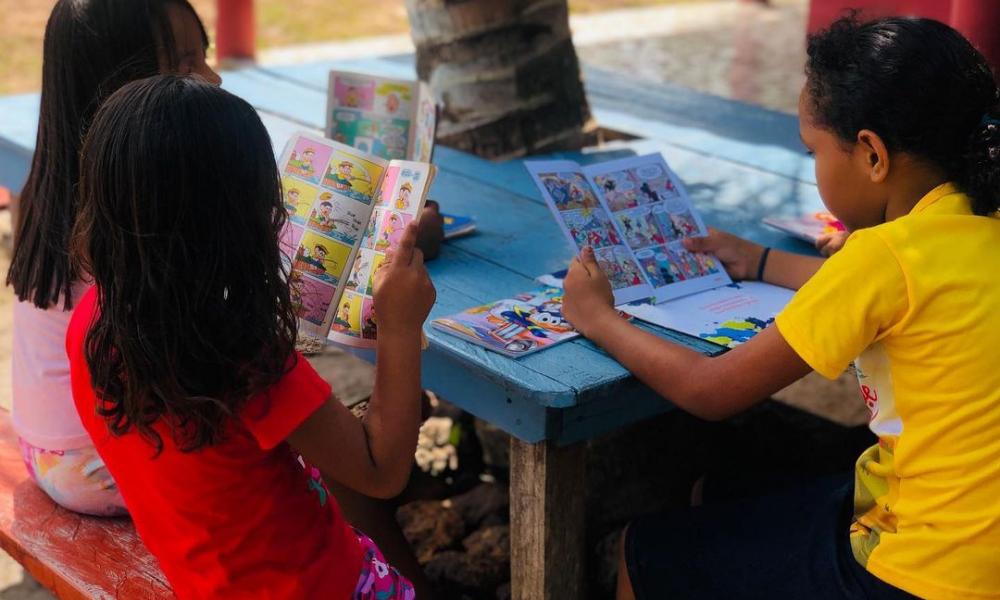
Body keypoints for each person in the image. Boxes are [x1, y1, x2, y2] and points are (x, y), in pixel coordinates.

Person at [562, 15, 1000, 600]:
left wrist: (598, 318)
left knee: (643, 552)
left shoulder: (882, 257)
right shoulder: (971, 226)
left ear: (872, 154)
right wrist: (761, 261)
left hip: (922, 572)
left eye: (813, 150)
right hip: (978, 547)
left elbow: (711, 392)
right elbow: (886, 293)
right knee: (727, 490)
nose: (813, 165)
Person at [69, 75, 436, 599]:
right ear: (240, 218)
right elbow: (380, 471)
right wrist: (400, 326)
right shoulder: (233, 350)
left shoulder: (93, 319)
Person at [5, 0, 219, 517]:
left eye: (204, 58)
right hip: (100, 464)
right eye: (187, 66)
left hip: (46, 447)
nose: (212, 80)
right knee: (306, 451)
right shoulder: (135, 206)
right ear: (119, 92)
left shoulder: (55, 181)